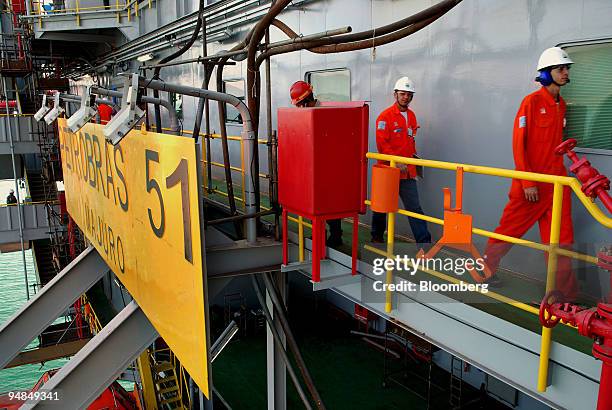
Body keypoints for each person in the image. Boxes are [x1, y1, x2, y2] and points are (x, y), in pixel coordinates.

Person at [483, 47, 578, 299]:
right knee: (508, 232)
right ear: (547, 74)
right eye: (561, 69)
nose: (565, 72)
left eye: (566, 68)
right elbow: (519, 144)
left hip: (556, 186)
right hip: (531, 187)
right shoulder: (531, 103)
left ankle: (564, 296)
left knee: (562, 243)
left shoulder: (562, 106)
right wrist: (527, 181)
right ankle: (484, 270)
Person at [371, 76, 431, 245]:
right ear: (395, 94)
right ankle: (376, 238)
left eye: (409, 94)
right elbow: (382, 143)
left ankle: (424, 243)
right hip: (389, 171)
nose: (406, 97)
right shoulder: (385, 117)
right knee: (382, 207)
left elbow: (410, 142)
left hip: (407, 172)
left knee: (414, 208)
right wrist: (396, 162)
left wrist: (414, 163)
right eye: (403, 94)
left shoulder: (411, 116)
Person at [289, 80, 343, 247]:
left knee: (329, 203)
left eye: (299, 104)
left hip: (328, 166)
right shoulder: (308, 113)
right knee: (315, 203)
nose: (298, 108)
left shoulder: (324, 112)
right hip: (313, 167)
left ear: (306, 101)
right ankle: (319, 234)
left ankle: (335, 236)